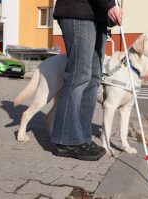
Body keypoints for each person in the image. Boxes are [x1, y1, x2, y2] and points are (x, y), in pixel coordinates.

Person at [51, 0, 123, 161]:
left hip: (98, 18)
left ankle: (81, 137)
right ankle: (66, 139)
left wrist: (112, 11)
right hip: (78, 12)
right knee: (79, 76)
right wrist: (110, 3)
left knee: (93, 78)